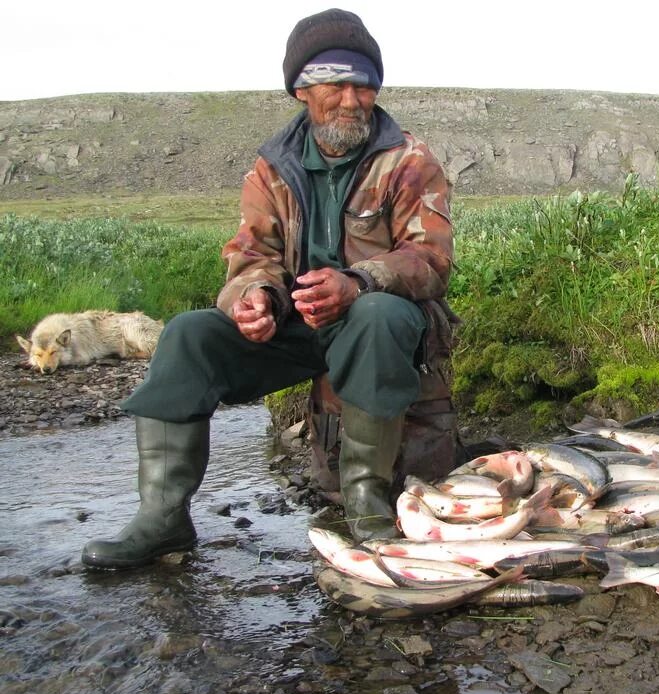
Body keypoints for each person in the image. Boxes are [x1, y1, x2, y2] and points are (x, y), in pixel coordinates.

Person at [81, 8, 454, 570]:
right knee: (187, 334)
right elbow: (250, 256)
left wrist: (356, 282)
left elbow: (430, 259)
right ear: (302, 89)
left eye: (364, 84)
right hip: (298, 325)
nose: (352, 99)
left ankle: (367, 506)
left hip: (380, 326)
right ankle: (162, 519)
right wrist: (254, 299)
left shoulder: (409, 160)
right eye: (336, 83)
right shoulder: (270, 168)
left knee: (376, 312)